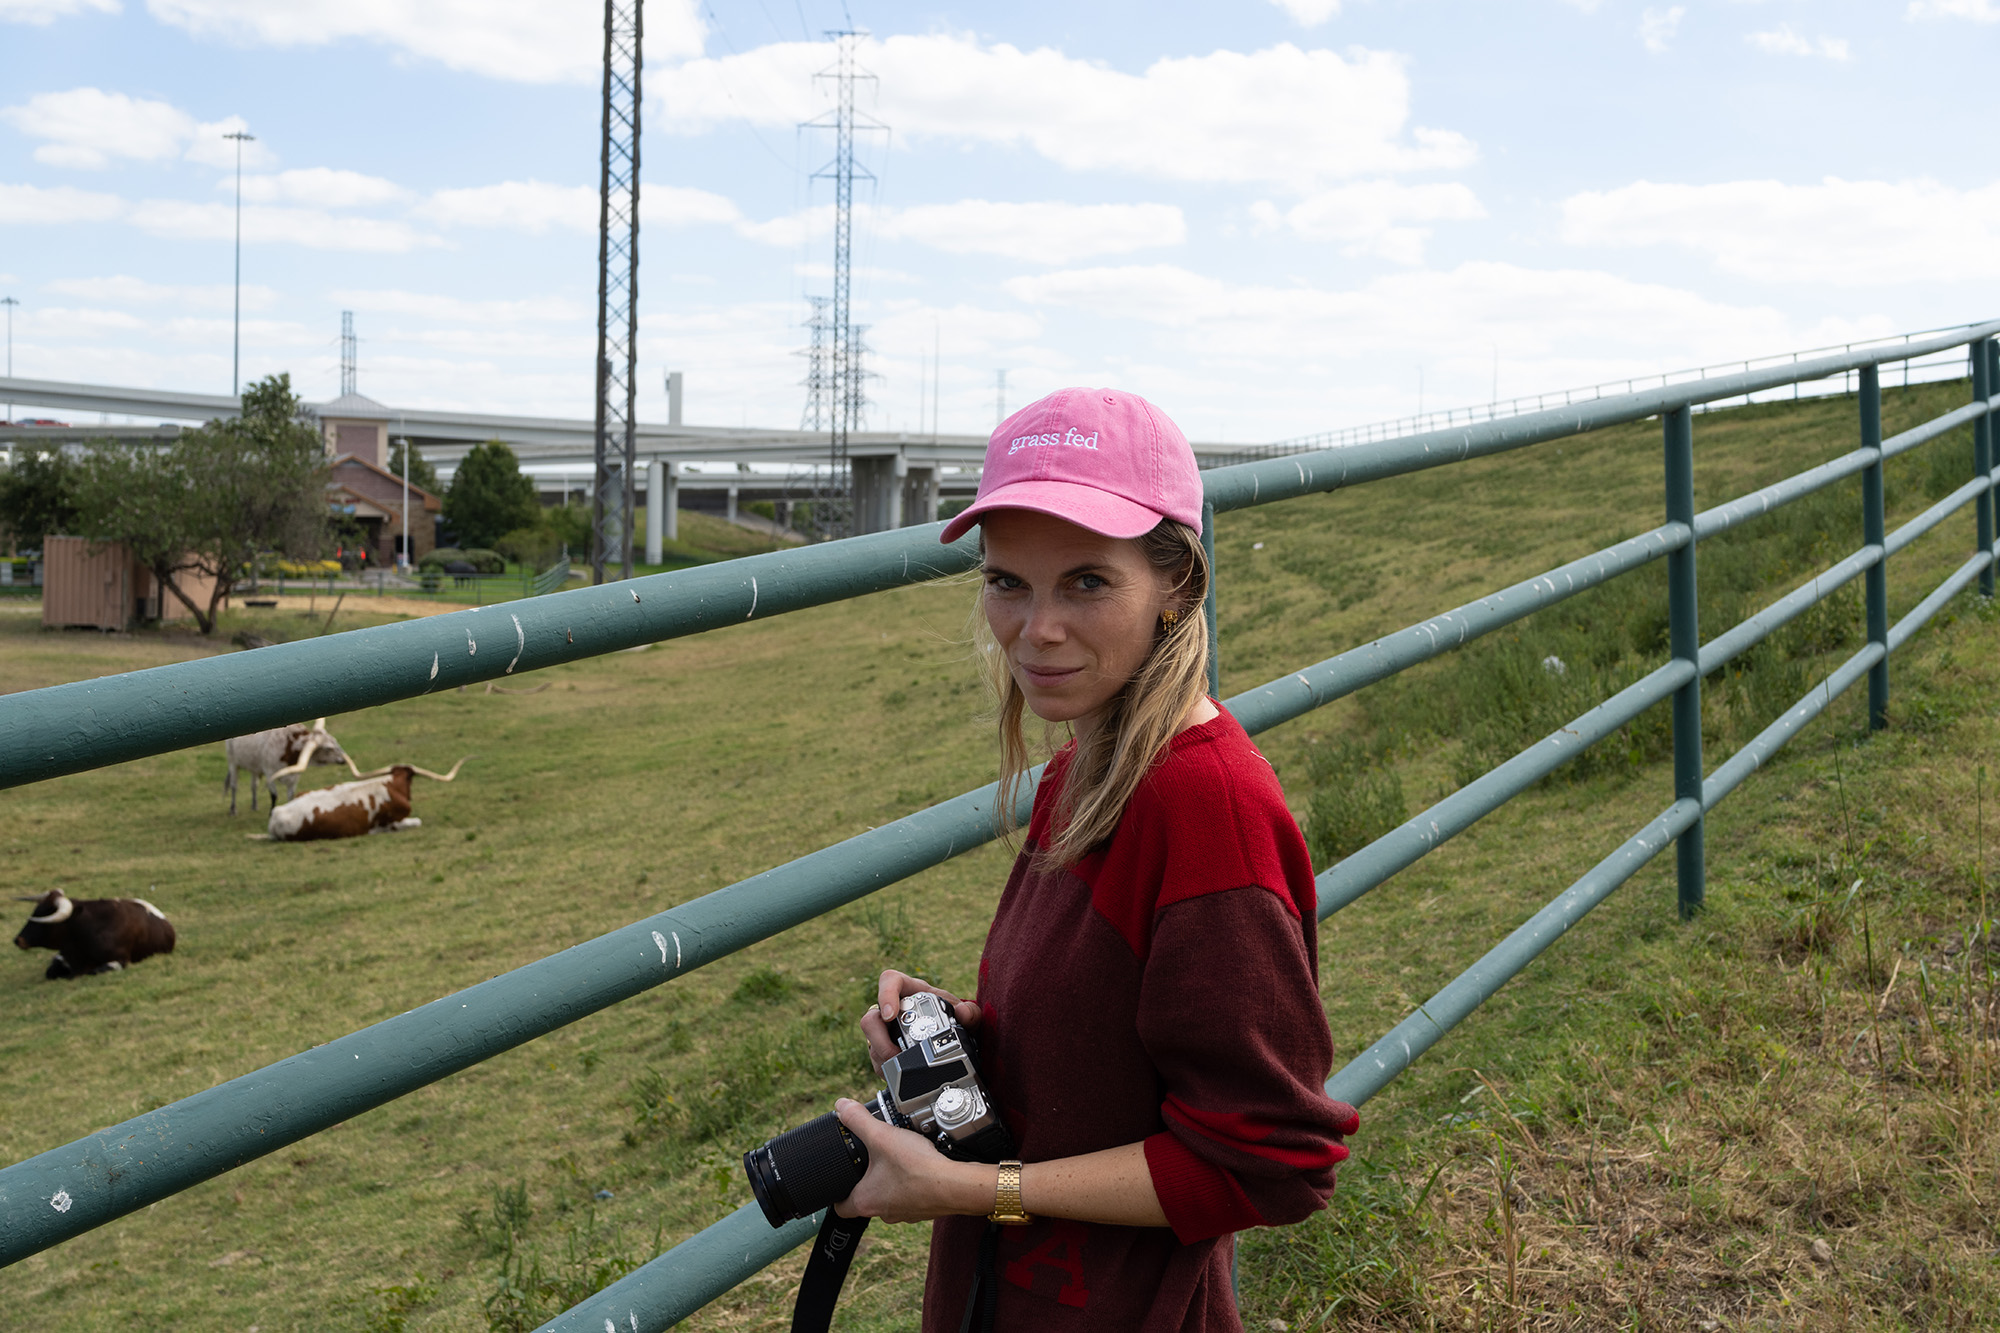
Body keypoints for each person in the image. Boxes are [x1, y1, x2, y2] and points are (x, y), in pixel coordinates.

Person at [831, 387, 1359, 1332]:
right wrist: (970, 1038)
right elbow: (1123, 1038)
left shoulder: (1207, 811)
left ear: (1180, 586)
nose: (1037, 630)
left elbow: (1270, 1158)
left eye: (1086, 581)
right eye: (1007, 582)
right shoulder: (1095, 760)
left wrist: (974, 1187)